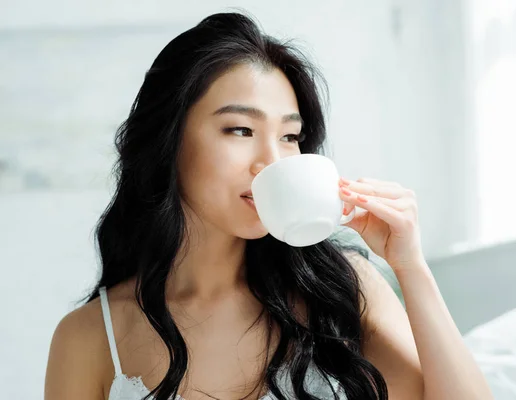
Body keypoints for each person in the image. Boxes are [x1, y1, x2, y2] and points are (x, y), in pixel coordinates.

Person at [44, 12, 493, 400]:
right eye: (240, 130)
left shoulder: (342, 290)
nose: (272, 162)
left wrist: (410, 267)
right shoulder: (90, 337)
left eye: (290, 136)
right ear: (169, 140)